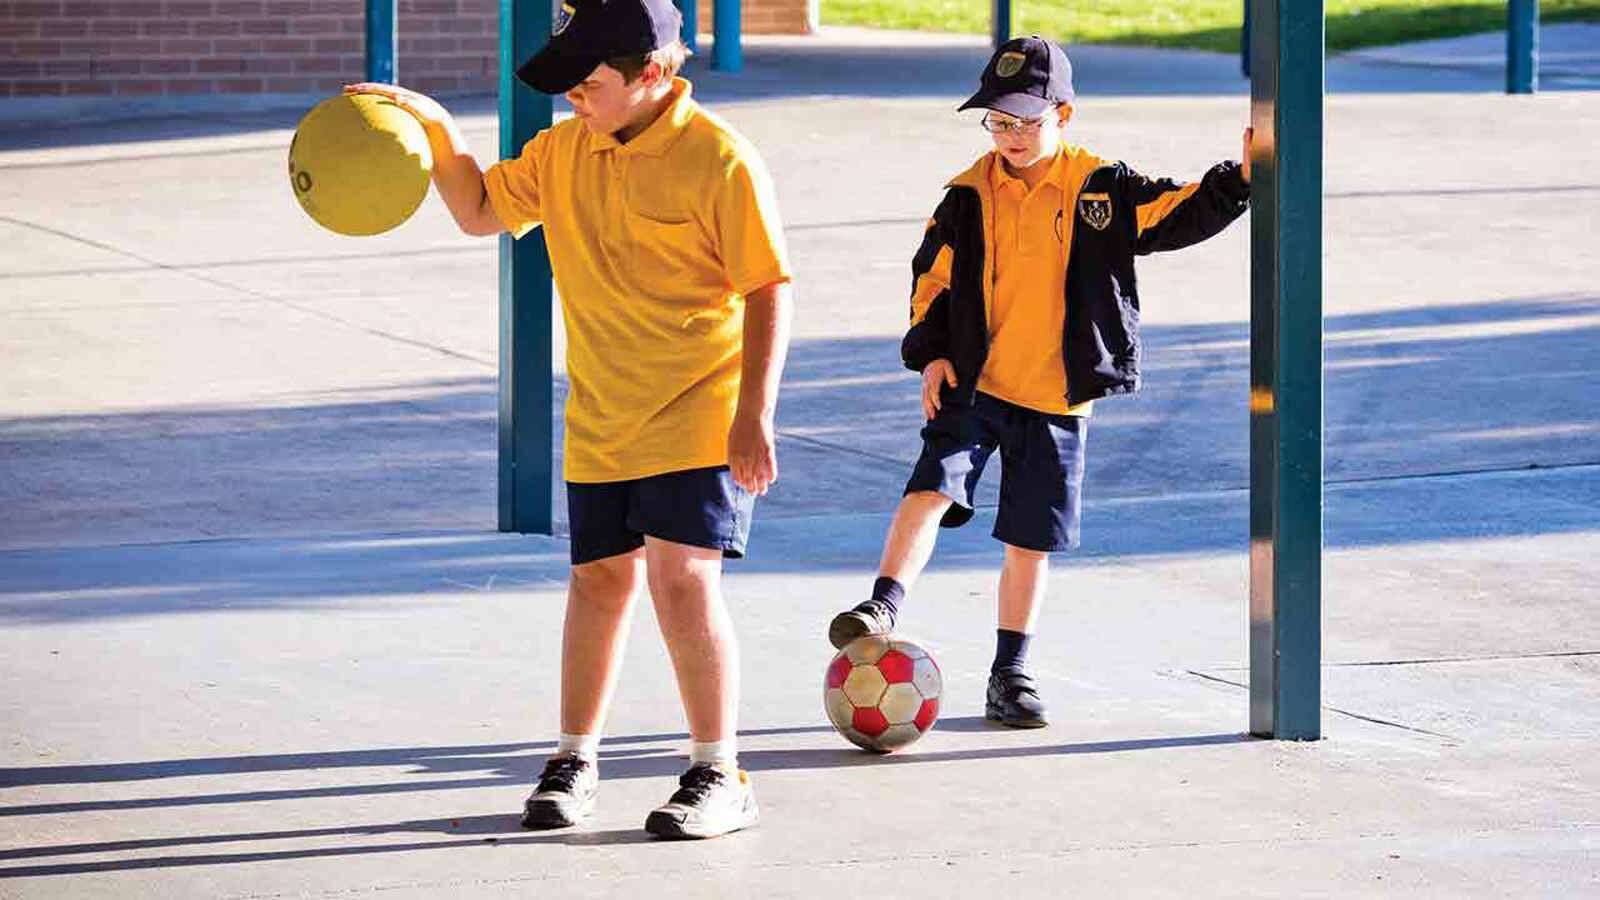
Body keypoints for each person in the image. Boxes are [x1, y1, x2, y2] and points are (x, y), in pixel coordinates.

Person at [348, 0, 793, 839]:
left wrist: (753, 416)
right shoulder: (562, 151)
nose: (573, 102)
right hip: (602, 413)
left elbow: (769, 288)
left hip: (699, 408)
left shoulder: (721, 160)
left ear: (653, 75)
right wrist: (440, 131)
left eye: (587, 85)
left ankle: (718, 770)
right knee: (598, 582)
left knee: (684, 581)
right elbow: (480, 209)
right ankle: (574, 757)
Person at [826, 35, 1251, 729]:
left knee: (1028, 543)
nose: (1011, 135)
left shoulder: (1102, 188)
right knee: (930, 487)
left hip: (1057, 399)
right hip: (974, 383)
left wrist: (1237, 177)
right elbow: (930, 279)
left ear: (1065, 114)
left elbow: (1177, 213)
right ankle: (883, 603)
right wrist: (932, 354)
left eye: (1026, 120)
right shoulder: (967, 194)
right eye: (998, 120)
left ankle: (1010, 672)